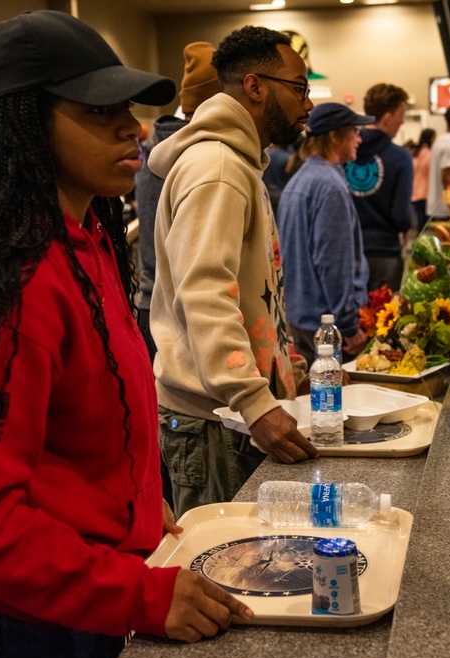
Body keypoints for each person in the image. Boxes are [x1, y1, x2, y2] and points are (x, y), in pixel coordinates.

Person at [0, 12, 253, 658]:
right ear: (20, 124)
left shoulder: (86, 243)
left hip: (68, 593)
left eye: (126, 107)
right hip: (7, 623)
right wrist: (138, 593)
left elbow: (78, 429)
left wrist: (131, 504)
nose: (130, 128)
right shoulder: (6, 281)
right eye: (93, 109)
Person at [148, 26, 318, 518]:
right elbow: (203, 292)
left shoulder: (242, 164)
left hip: (230, 414)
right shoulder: (218, 169)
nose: (308, 104)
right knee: (225, 578)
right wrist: (254, 400)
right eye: (299, 87)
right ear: (255, 86)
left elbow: (257, 291)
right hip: (213, 419)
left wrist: (290, 373)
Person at [134, 41, 221, 510]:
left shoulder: (161, 152)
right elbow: (199, 282)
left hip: (157, 302)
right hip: (170, 312)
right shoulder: (194, 160)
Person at [280, 102, 373, 367]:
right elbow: (333, 263)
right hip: (326, 326)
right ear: (334, 135)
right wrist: (348, 324)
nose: (359, 138)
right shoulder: (330, 187)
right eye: (354, 130)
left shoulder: (298, 181)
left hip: (300, 318)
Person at [344, 83, 413, 293]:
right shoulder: (400, 158)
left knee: (349, 320)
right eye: (401, 114)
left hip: (347, 251)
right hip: (385, 254)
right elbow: (401, 215)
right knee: (383, 321)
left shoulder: (343, 152)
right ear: (388, 117)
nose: (402, 121)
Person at [410, 128, 435, 232]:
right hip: (425, 193)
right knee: (423, 227)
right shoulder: (430, 154)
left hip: (414, 193)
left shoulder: (415, 153)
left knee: (418, 227)